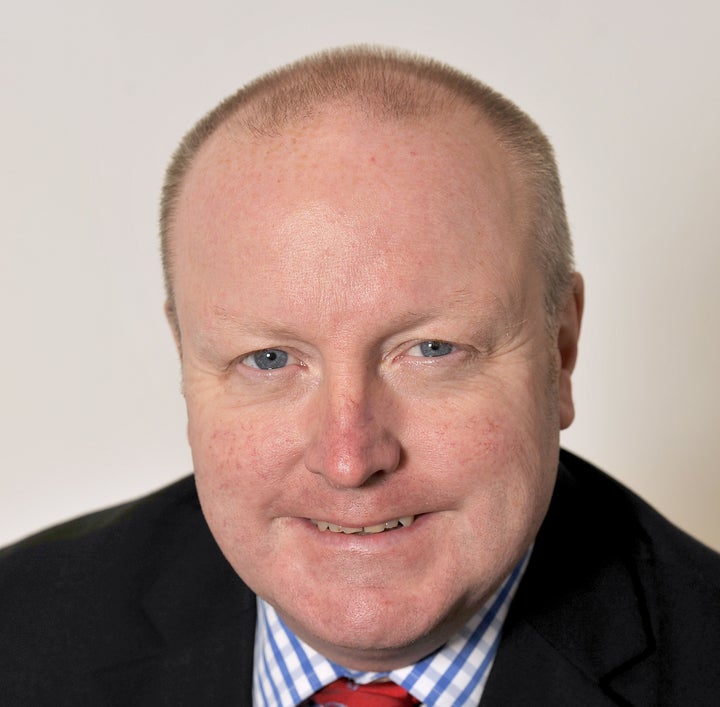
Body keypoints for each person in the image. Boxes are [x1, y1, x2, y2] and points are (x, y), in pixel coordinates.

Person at [1, 46, 718, 707]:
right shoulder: (19, 635)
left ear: (559, 348)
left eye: (432, 349)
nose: (349, 459)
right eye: (270, 359)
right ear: (185, 357)